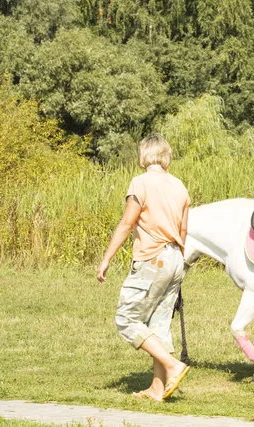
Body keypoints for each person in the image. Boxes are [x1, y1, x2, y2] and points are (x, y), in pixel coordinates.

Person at [96, 135, 190, 402]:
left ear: (145, 155)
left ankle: (173, 366)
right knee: (159, 324)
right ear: (166, 155)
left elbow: (127, 224)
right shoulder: (179, 186)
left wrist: (106, 258)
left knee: (126, 319)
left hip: (153, 257)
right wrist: (177, 267)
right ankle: (157, 389)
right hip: (175, 258)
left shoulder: (141, 182)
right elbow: (184, 230)